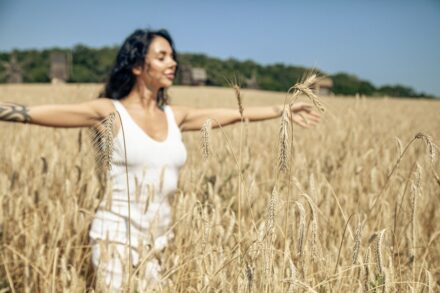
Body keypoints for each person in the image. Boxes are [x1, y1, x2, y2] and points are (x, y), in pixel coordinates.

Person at [0, 28, 321, 291]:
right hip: (115, 237)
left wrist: (282, 110)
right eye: (162, 56)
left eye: (173, 57)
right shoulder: (108, 112)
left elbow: (234, 114)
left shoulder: (174, 116)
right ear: (138, 66)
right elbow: (31, 114)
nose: (173, 63)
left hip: (158, 241)